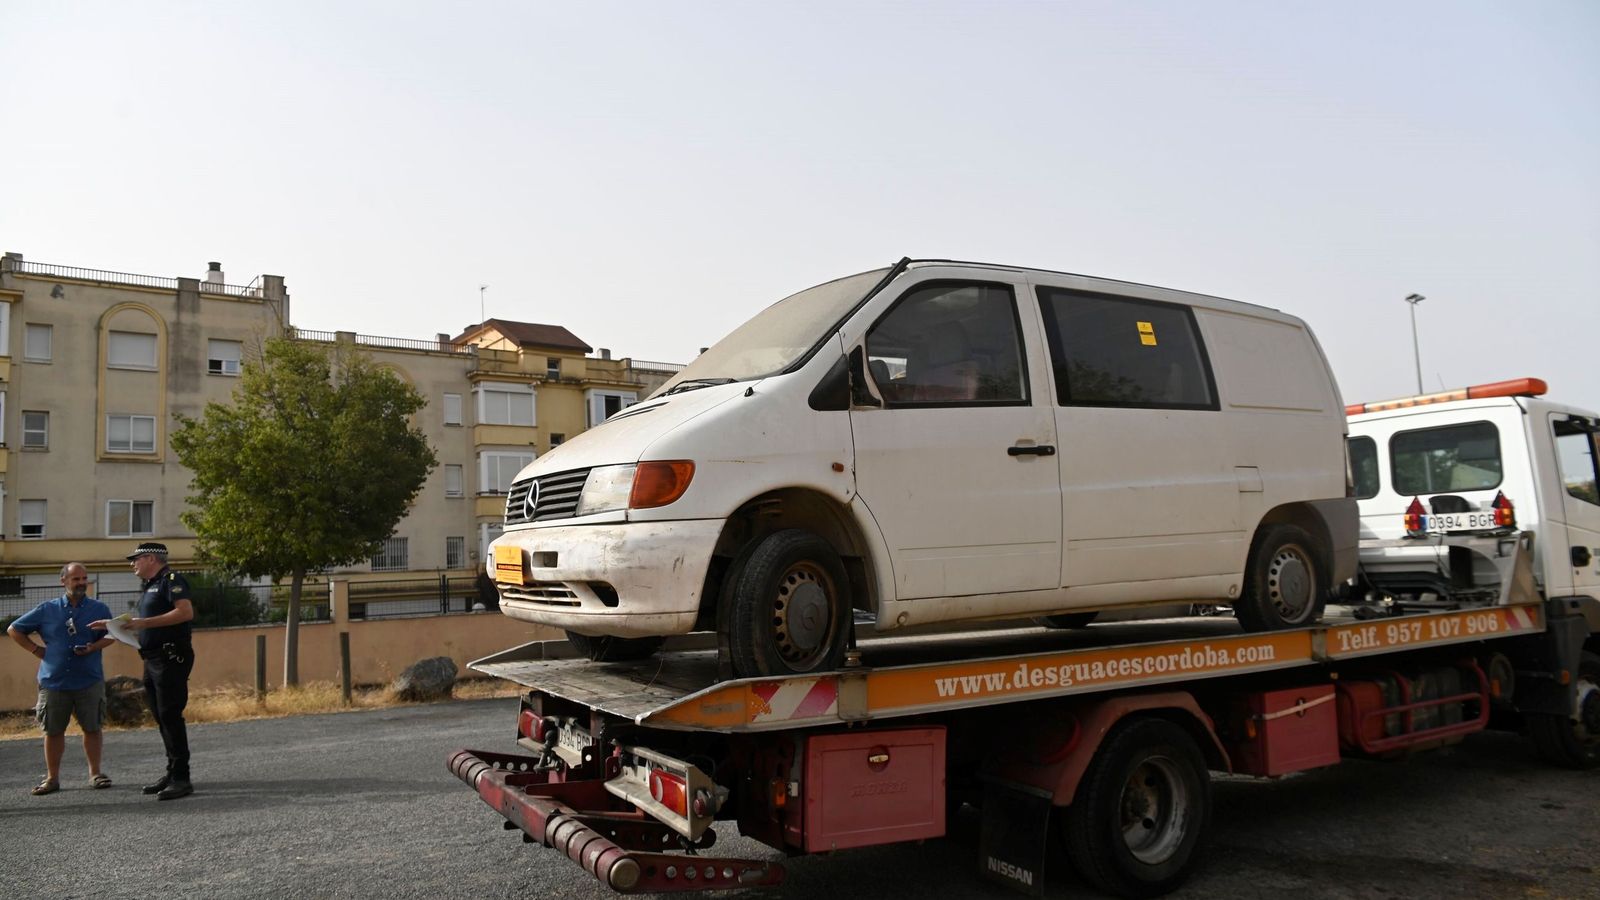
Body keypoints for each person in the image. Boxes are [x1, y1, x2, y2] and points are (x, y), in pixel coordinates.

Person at [92, 541, 195, 801]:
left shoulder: (171, 579)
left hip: (170, 657)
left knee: (170, 715)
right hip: (152, 659)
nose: (132, 564)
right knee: (161, 715)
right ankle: (172, 773)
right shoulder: (151, 586)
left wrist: (143, 623)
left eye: (135, 559)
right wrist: (114, 624)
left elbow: (185, 612)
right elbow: (142, 623)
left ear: (150, 558)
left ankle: (182, 778)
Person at [7, 562, 116, 795]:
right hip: (54, 681)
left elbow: (113, 634)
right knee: (53, 731)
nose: (81, 583)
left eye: (84, 579)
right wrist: (37, 650)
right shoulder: (47, 609)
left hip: (88, 679)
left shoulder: (99, 608)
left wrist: (93, 646)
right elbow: (14, 629)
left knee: (93, 727)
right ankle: (52, 778)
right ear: (63, 581)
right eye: (76, 579)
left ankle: (95, 773)